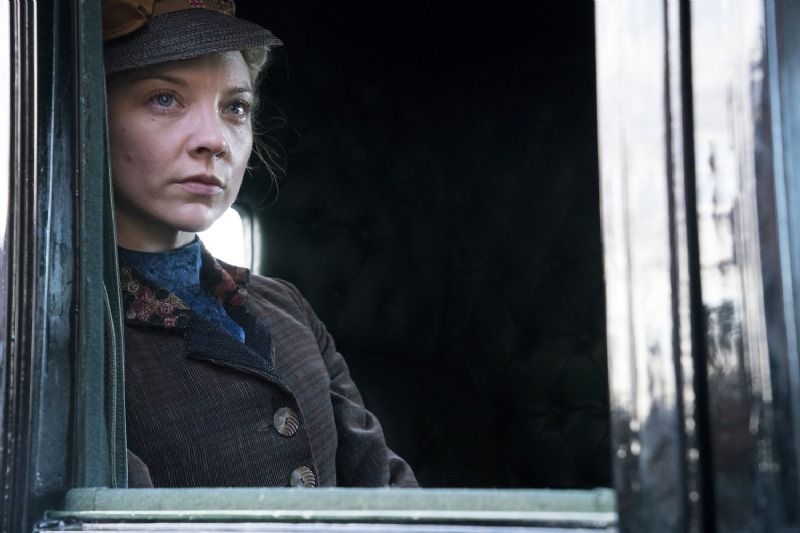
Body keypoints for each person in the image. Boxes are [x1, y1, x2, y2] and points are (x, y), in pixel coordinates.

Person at [102, 0, 417, 488]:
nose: (214, 140)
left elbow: (385, 489)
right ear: (94, 117)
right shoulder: (74, 333)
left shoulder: (285, 305)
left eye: (235, 107)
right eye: (164, 98)